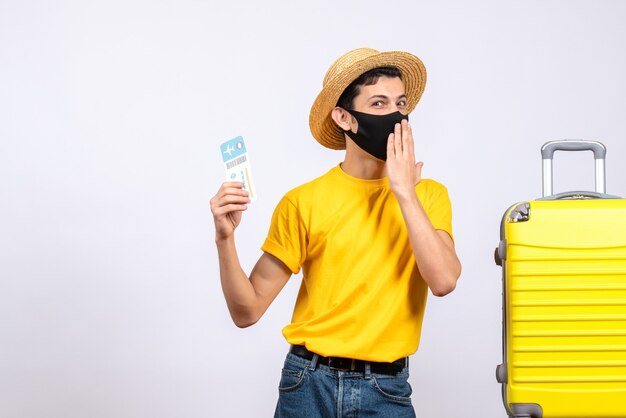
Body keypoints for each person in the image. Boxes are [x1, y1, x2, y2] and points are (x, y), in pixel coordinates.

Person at [210, 47, 461, 417]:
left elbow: (443, 281)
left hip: (386, 389)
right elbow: (246, 311)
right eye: (378, 104)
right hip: (307, 384)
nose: (395, 115)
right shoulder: (304, 201)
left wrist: (404, 192)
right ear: (344, 117)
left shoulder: (428, 195)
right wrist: (224, 239)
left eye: (401, 103)